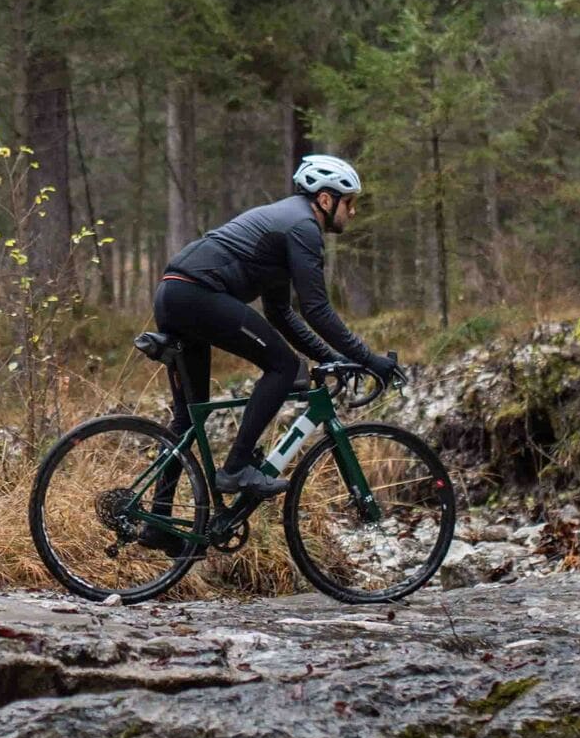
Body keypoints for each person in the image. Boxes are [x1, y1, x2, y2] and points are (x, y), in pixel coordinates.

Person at [155, 154, 401, 499]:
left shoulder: (286, 221)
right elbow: (317, 310)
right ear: (325, 200)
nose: (353, 211)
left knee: (186, 420)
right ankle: (237, 468)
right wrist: (369, 358)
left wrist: (329, 357)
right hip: (196, 294)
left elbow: (280, 312)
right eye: (349, 203)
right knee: (283, 366)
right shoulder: (303, 227)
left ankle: (156, 523)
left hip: (172, 293)